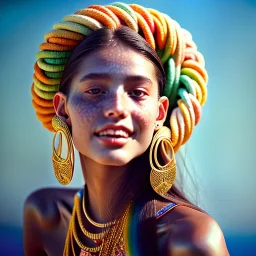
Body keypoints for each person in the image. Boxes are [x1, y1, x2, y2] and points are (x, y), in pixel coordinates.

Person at [24, 3, 230, 256]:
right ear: (63, 109)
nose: (116, 108)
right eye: (95, 90)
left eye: (137, 93)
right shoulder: (45, 215)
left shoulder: (190, 240)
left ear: (160, 113)